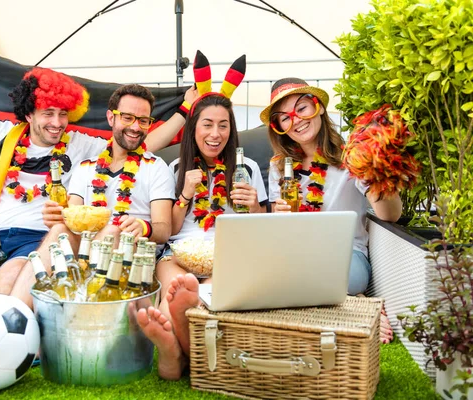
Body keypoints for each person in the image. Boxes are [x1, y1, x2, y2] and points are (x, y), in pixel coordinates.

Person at [0, 68, 196, 298]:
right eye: (48, 113)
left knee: (9, 274)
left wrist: (184, 110)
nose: (57, 122)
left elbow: (134, 140)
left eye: (63, 114)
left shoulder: (80, 145)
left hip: (38, 242)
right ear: (29, 113)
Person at [136, 51, 268, 380]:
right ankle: (177, 353)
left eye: (223, 125)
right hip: (179, 254)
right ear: (194, 127)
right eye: (207, 124)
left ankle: (175, 356)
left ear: (231, 130)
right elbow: (170, 229)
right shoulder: (175, 168)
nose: (215, 133)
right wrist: (184, 195)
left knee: (203, 293)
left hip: (227, 255)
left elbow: (264, 229)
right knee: (174, 286)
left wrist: (253, 207)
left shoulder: (247, 168)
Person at [7, 84, 176, 309]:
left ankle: (76, 307)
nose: (135, 126)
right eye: (127, 117)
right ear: (111, 117)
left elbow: (164, 229)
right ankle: (14, 311)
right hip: (84, 251)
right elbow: (73, 219)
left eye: (143, 120)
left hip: (131, 256)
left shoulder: (155, 167)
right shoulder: (86, 168)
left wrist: (143, 227)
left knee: (112, 230)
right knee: (58, 232)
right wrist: (57, 217)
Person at [262, 78, 400, 343]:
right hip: (298, 257)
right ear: (278, 128)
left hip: (347, 259)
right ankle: (355, 306)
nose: (296, 120)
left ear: (319, 108)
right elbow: (280, 234)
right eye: (284, 117)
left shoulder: (352, 156)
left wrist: (377, 171)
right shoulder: (280, 167)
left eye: (301, 108)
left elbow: (390, 214)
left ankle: (351, 305)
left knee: (286, 289)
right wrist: (279, 217)